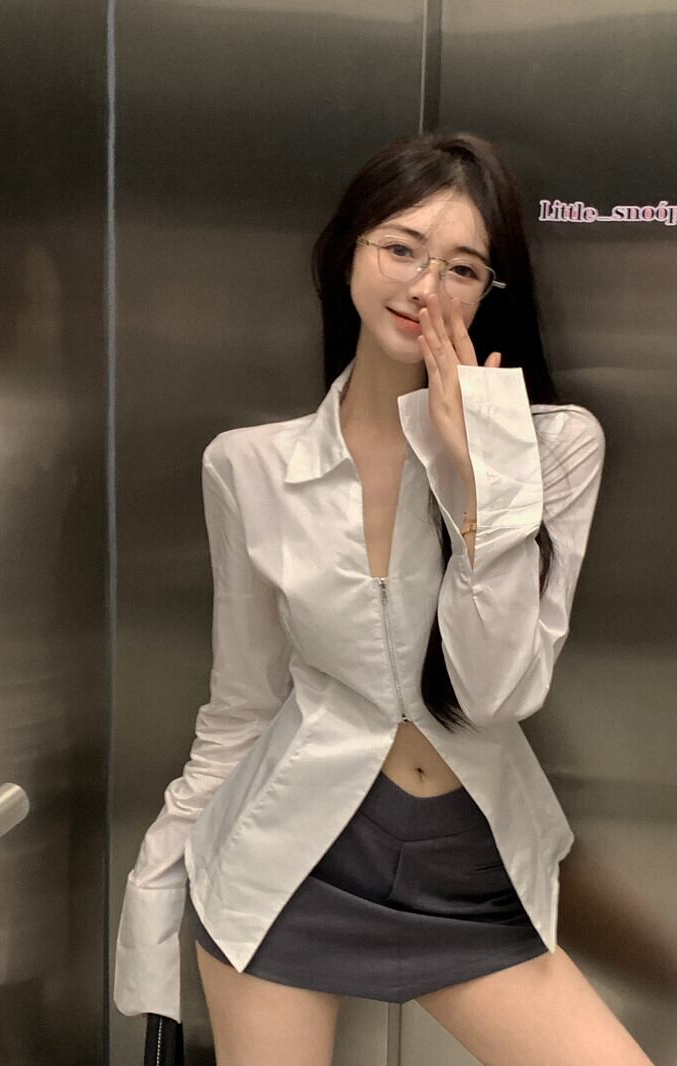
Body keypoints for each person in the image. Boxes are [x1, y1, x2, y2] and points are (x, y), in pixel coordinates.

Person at [115, 132, 655, 1066]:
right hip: (284, 866)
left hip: (470, 871)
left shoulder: (555, 446)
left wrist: (481, 479)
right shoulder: (247, 466)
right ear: (347, 255)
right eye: (401, 248)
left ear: (490, 291)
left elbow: (493, 694)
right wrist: (157, 883)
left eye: (463, 267)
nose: (425, 287)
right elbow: (241, 705)